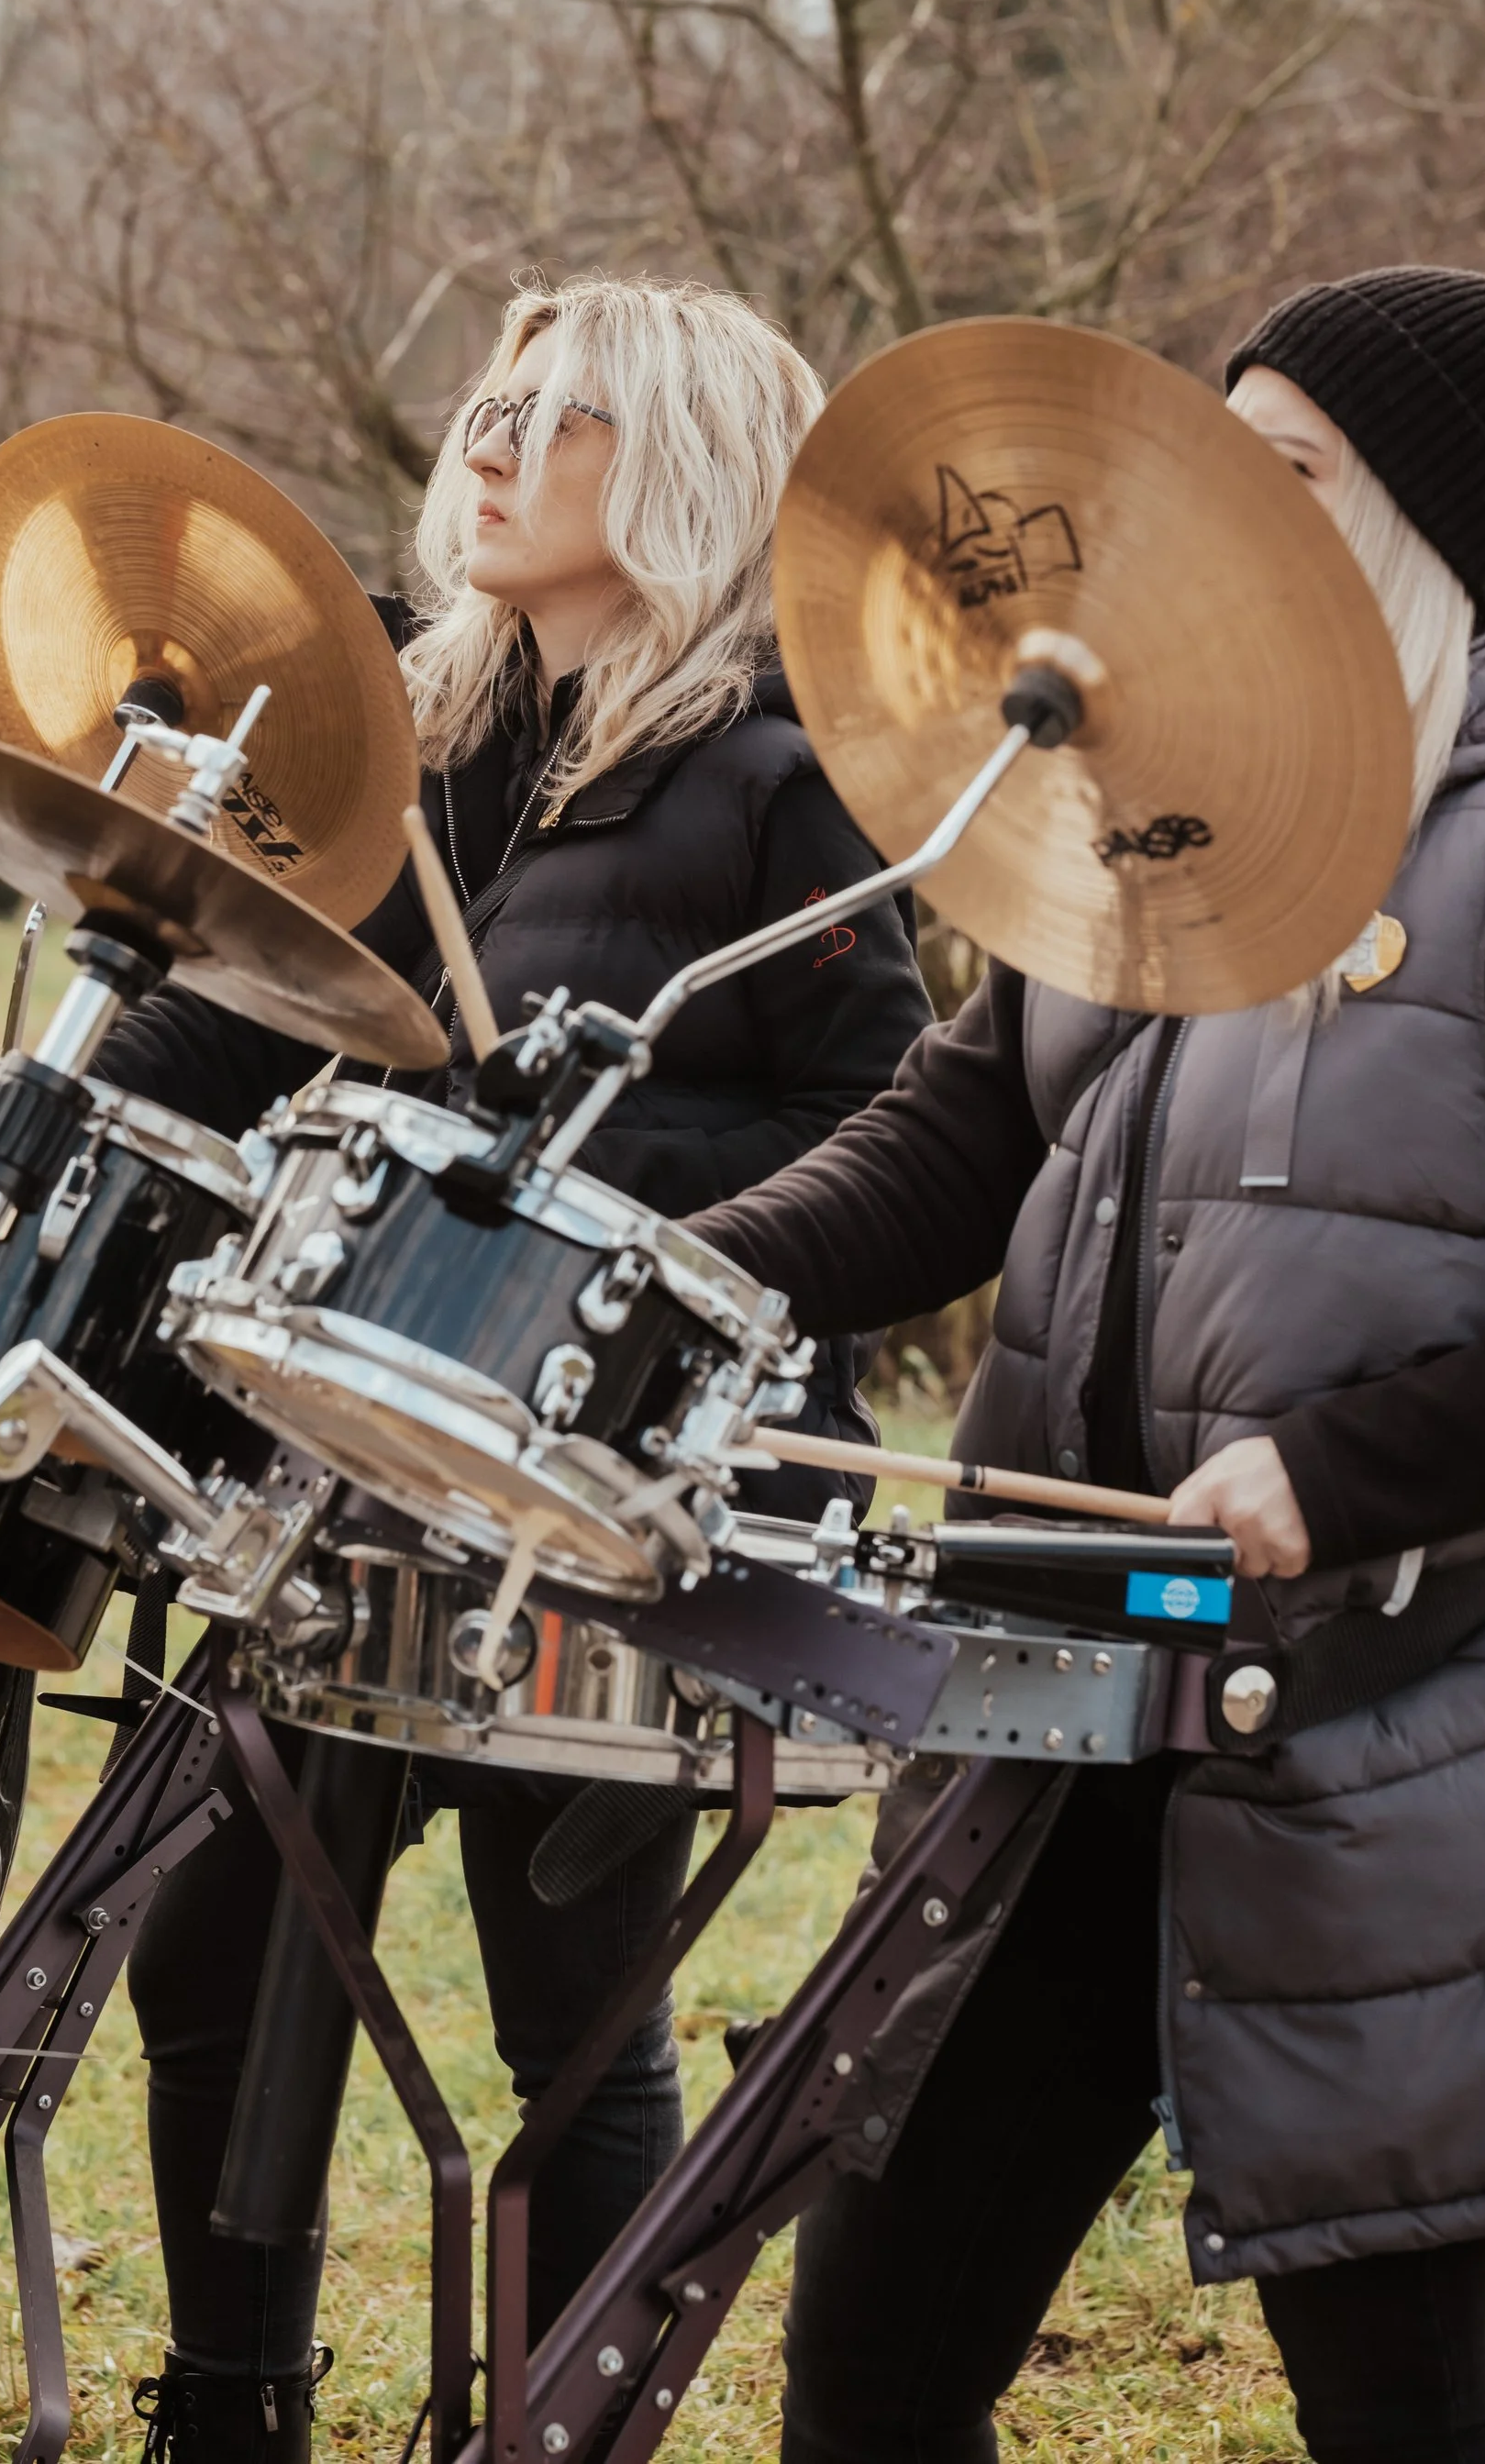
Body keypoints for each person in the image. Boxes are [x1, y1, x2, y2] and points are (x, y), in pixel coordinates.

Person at [688, 264, 1485, 2464]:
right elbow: (958, 1136)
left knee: (1395, 2417)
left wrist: (1337, 1480)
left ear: (1409, 532)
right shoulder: (1153, 801)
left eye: (1290, 470)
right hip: (1045, 1708)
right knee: (865, 2374)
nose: (1211, 511)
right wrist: (684, 1270)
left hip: (1363, 1739)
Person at [106, 274, 936, 2464]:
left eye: (549, 419)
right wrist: (121, 974)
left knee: (569, 2010)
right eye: (482, 404)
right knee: (219, 1946)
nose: (482, 443)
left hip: (637, 1481)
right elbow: (256, 1005)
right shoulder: (419, 752)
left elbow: (900, 1145)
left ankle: (562, 2429)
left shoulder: (782, 776)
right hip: (349, 1438)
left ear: (668, 465)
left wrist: (574, 1168)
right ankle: (230, 2408)